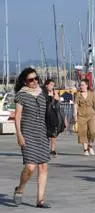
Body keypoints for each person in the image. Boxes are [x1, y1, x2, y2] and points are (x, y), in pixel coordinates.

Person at [13, 67, 51, 208]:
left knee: (43, 167)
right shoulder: (21, 95)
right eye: (31, 79)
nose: (34, 81)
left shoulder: (43, 93)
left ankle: (40, 200)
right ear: (25, 81)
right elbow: (17, 117)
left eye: (36, 78)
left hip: (42, 133)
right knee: (30, 167)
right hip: (28, 134)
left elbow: (49, 110)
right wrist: (19, 135)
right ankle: (20, 189)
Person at [73, 79, 95, 156]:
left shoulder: (92, 94)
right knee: (82, 132)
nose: (81, 87)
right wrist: (75, 115)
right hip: (81, 116)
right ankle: (85, 149)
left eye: (82, 85)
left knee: (93, 132)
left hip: (91, 115)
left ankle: (90, 145)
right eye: (80, 85)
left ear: (86, 85)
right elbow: (75, 105)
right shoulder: (78, 95)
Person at [43, 79, 66, 158]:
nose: (52, 86)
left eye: (53, 85)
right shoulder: (43, 93)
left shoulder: (54, 93)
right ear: (47, 85)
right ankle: (44, 149)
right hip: (45, 115)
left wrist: (55, 94)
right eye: (51, 84)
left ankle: (53, 149)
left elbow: (58, 101)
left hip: (53, 115)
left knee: (54, 133)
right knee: (45, 133)